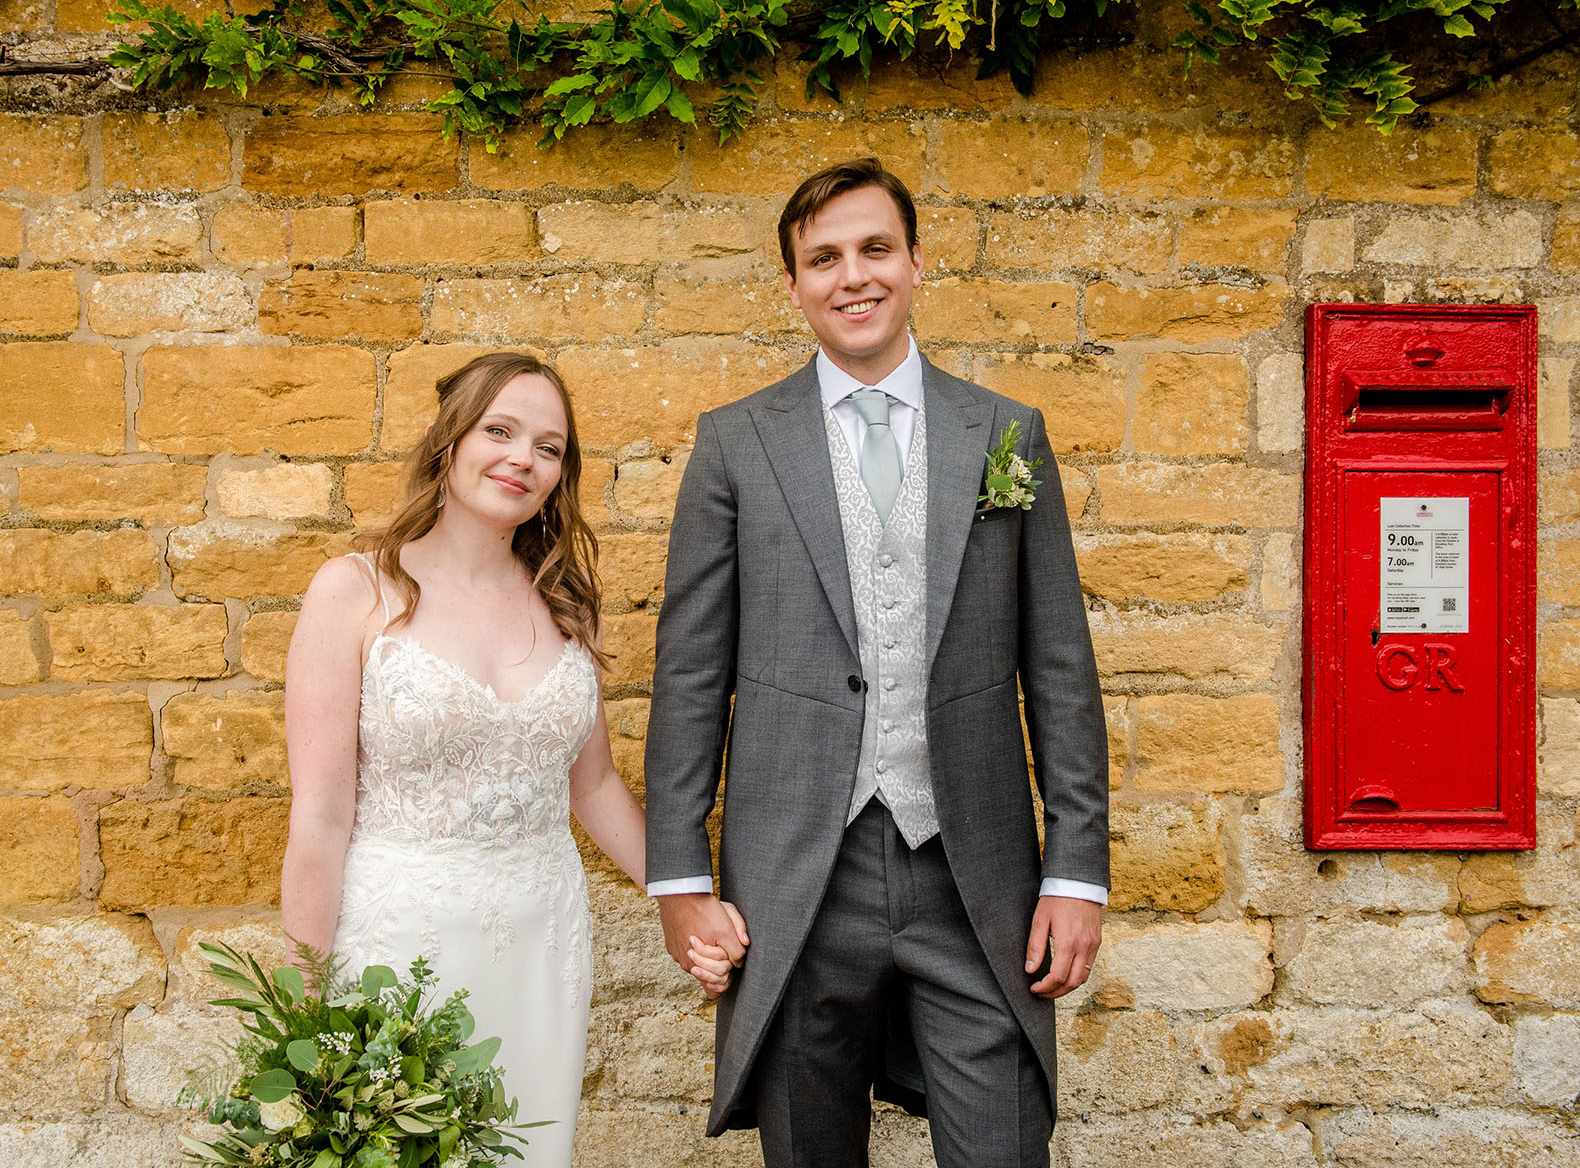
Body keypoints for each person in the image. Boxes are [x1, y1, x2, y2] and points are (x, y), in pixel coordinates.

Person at [645, 160, 1110, 1167]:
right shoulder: (734, 444)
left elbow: (1059, 668)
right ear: (792, 286)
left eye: (873, 249)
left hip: (975, 873)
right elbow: (690, 675)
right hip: (795, 879)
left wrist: (1076, 870)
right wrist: (680, 877)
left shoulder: (1005, 433)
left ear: (915, 263)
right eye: (822, 259)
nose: (851, 276)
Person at [280, 352, 747, 1167]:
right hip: (399, 944)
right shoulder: (353, 591)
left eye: (548, 447)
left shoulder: (563, 603)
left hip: (541, 947)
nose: (522, 459)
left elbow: (594, 786)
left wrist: (689, 897)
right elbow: (319, 816)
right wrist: (301, 1009)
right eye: (499, 430)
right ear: (449, 439)